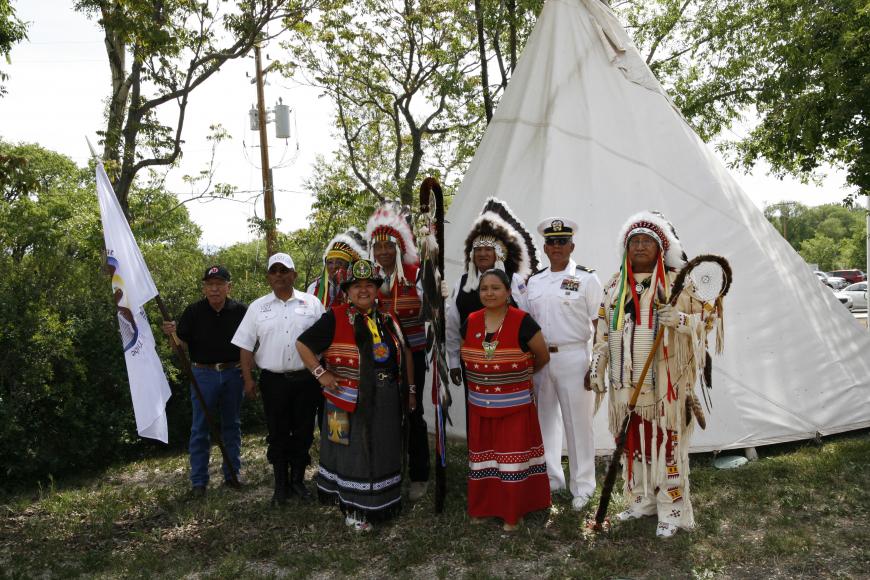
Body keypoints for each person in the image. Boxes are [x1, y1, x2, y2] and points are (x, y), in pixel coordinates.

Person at [589, 211, 717, 538]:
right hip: (624, 382)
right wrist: (597, 367)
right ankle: (641, 500)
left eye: (648, 241)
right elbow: (603, 330)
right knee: (632, 443)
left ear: (661, 248)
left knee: (668, 444)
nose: (641, 247)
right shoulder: (615, 285)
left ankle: (671, 509)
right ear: (626, 248)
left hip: (666, 382)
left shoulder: (678, 282)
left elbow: (708, 320)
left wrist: (681, 320)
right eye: (635, 241)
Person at [296, 259, 414, 532]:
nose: (364, 291)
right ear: (347, 291)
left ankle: (384, 502)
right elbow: (303, 344)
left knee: (384, 448)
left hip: (386, 396)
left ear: (376, 289)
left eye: (369, 285)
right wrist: (320, 373)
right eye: (357, 286)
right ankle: (354, 508)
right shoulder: (334, 317)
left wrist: (410, 391)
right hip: (346, 398)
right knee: (352, 453)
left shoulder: (388, 318)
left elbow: (406, 351)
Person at [231, 253, 325, 506]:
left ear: (294, 275)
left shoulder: (313, 304)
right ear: (268, 277)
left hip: (307, 380)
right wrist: (248, 379)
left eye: (285, 271)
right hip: (273, 382)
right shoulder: (257, 307)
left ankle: (298, 481)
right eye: (274, 271)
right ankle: (280, 486)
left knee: (304, 431)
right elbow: (245, 346)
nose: (280, 275)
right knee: (277, 432)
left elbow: (327, 340)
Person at [460, 268, 551, 531]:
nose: (489, 293)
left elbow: (542, 357)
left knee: (512, 458)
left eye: (495, 288)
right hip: (479, 406)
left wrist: (518, 378)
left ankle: (514, 513)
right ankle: (483, 507)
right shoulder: (472, 320)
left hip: (514, 407)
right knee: (484, 459)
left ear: (508, 292)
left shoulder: (523, 321)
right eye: (484, 288)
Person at [525, 217, 602, 511]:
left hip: (574, 356)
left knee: (578, 424)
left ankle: (583, 486)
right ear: (544, 247)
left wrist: (594, 365)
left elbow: (600, 326)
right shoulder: (535, 280)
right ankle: (551, 478)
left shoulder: (586, 279)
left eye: (562, 242)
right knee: (545, 421)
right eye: (551, 242)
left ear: (572, 245)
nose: (556, 247)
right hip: (541, 358)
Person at [161, 265, 247, 496]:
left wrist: (248, 373)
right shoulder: (193, 311)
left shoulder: (240, 311)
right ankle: (199, 481)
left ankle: (232, 473)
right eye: (210, 285)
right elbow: (180, 346)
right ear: (204, 288)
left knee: (232, 426)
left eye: (220, 284)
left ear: (229, 287)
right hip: (203, 375)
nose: (215, 289)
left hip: (232, 373)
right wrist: (172, 334)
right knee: (200, 428)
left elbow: (250, 344)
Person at [365, 202, 429, 500]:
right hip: (382, 358)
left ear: (399, 247)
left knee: (414, 412)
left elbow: (434, 315)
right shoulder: (370, 279)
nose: (383, 253)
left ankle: (419, 475)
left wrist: (435, 296)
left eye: (388, 246)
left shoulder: (416, 275)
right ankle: (388, 471)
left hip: (414, 354)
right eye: (378, 248)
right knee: (385, 413)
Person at [445, 197, 539, 388]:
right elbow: (453, 325)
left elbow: (528, 317)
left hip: (509, 361)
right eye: (478, 250)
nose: (483, 254)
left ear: (497, 254)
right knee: (476, 410)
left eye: (488, 249)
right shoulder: (462, 283)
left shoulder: (514, 280)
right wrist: (454, 361)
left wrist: (528, 356)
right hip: (473, 362)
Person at [306, 228, 368, 308]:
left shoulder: (358, 288)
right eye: (330, 262)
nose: (334, 266)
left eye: (339, 262)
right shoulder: (314, 287)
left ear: (349, 266)